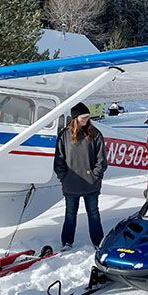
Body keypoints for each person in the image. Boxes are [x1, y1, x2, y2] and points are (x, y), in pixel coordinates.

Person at [53, 102, 107, 251]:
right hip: (71, 184)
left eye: (88, 116)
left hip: (91, 184)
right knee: (70, 214)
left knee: (93, 214)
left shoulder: (95, 134)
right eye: (83, 116)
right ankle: (66, 242)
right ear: (75, 118)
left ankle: (98, 242)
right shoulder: (64, 135)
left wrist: (95, 175)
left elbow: (101, 159)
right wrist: (64, 176)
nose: (86, 119)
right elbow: (59, 159)